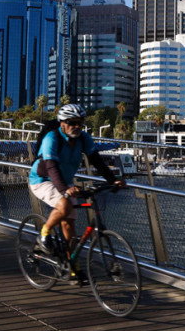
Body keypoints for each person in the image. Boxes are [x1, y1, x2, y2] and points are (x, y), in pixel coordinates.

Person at [29, 104, 124, 256]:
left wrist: (113, 180)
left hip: (64, 182)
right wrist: (64, 190)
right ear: (62, 123)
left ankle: (72, 267)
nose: (77, 126)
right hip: (42, 180)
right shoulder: (52, 138)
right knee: (64, 205)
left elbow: (96, 160)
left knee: (69, 224)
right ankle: (44, 233)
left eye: (80, 122)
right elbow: (51, 166)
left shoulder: (84, 138)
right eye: (72, 122)